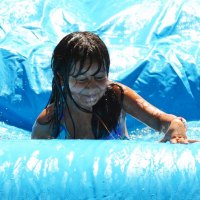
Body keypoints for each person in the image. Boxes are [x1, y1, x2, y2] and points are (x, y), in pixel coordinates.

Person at [32, 31, 199, 143]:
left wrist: (176, 126)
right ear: (62, 80)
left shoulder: (117, 96)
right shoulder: (50, 121)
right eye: (81, 79)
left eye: (99, 77)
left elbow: (159, 119)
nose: (92, 88)